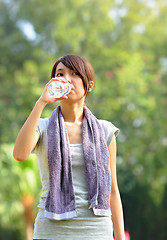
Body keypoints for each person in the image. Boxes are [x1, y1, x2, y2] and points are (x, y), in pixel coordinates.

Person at [13, 54, 125, 240]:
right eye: (60, 73)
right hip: (51, 229)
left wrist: (120, 237)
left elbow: (113, 190)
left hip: (96, 229)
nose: (66, 78)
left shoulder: (105, 131)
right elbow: (19, 154)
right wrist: (41, 102)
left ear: (89, 86)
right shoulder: (43, 127)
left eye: (74, 73)